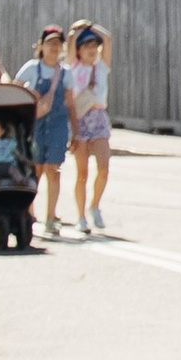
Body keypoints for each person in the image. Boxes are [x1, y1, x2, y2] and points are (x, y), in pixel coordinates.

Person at [17, 25, 76, 233]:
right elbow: (16, 94)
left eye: (58, 44)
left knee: (53, 169)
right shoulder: (31, 69)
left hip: (58, 125)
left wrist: (75, 132)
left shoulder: (66, 73)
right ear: (41, 46)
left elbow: (70, 104)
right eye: (50, 43)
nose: (54, 47)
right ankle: (29, 213)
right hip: (35, 126)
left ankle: (51, 216)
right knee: (35, 170)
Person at [64, 24, 113, 233]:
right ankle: (81, 216)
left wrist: (92, 25)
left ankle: (95, 205)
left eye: (94, 45)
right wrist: (77, 30)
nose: (91, 49)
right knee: (82, 172)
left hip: (98, 117)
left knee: (103, 167)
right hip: (79, 118)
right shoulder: (73, 67)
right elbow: (71, 41)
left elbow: (108, 39)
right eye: (86, 46)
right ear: (78, 50)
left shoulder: (101, 67)